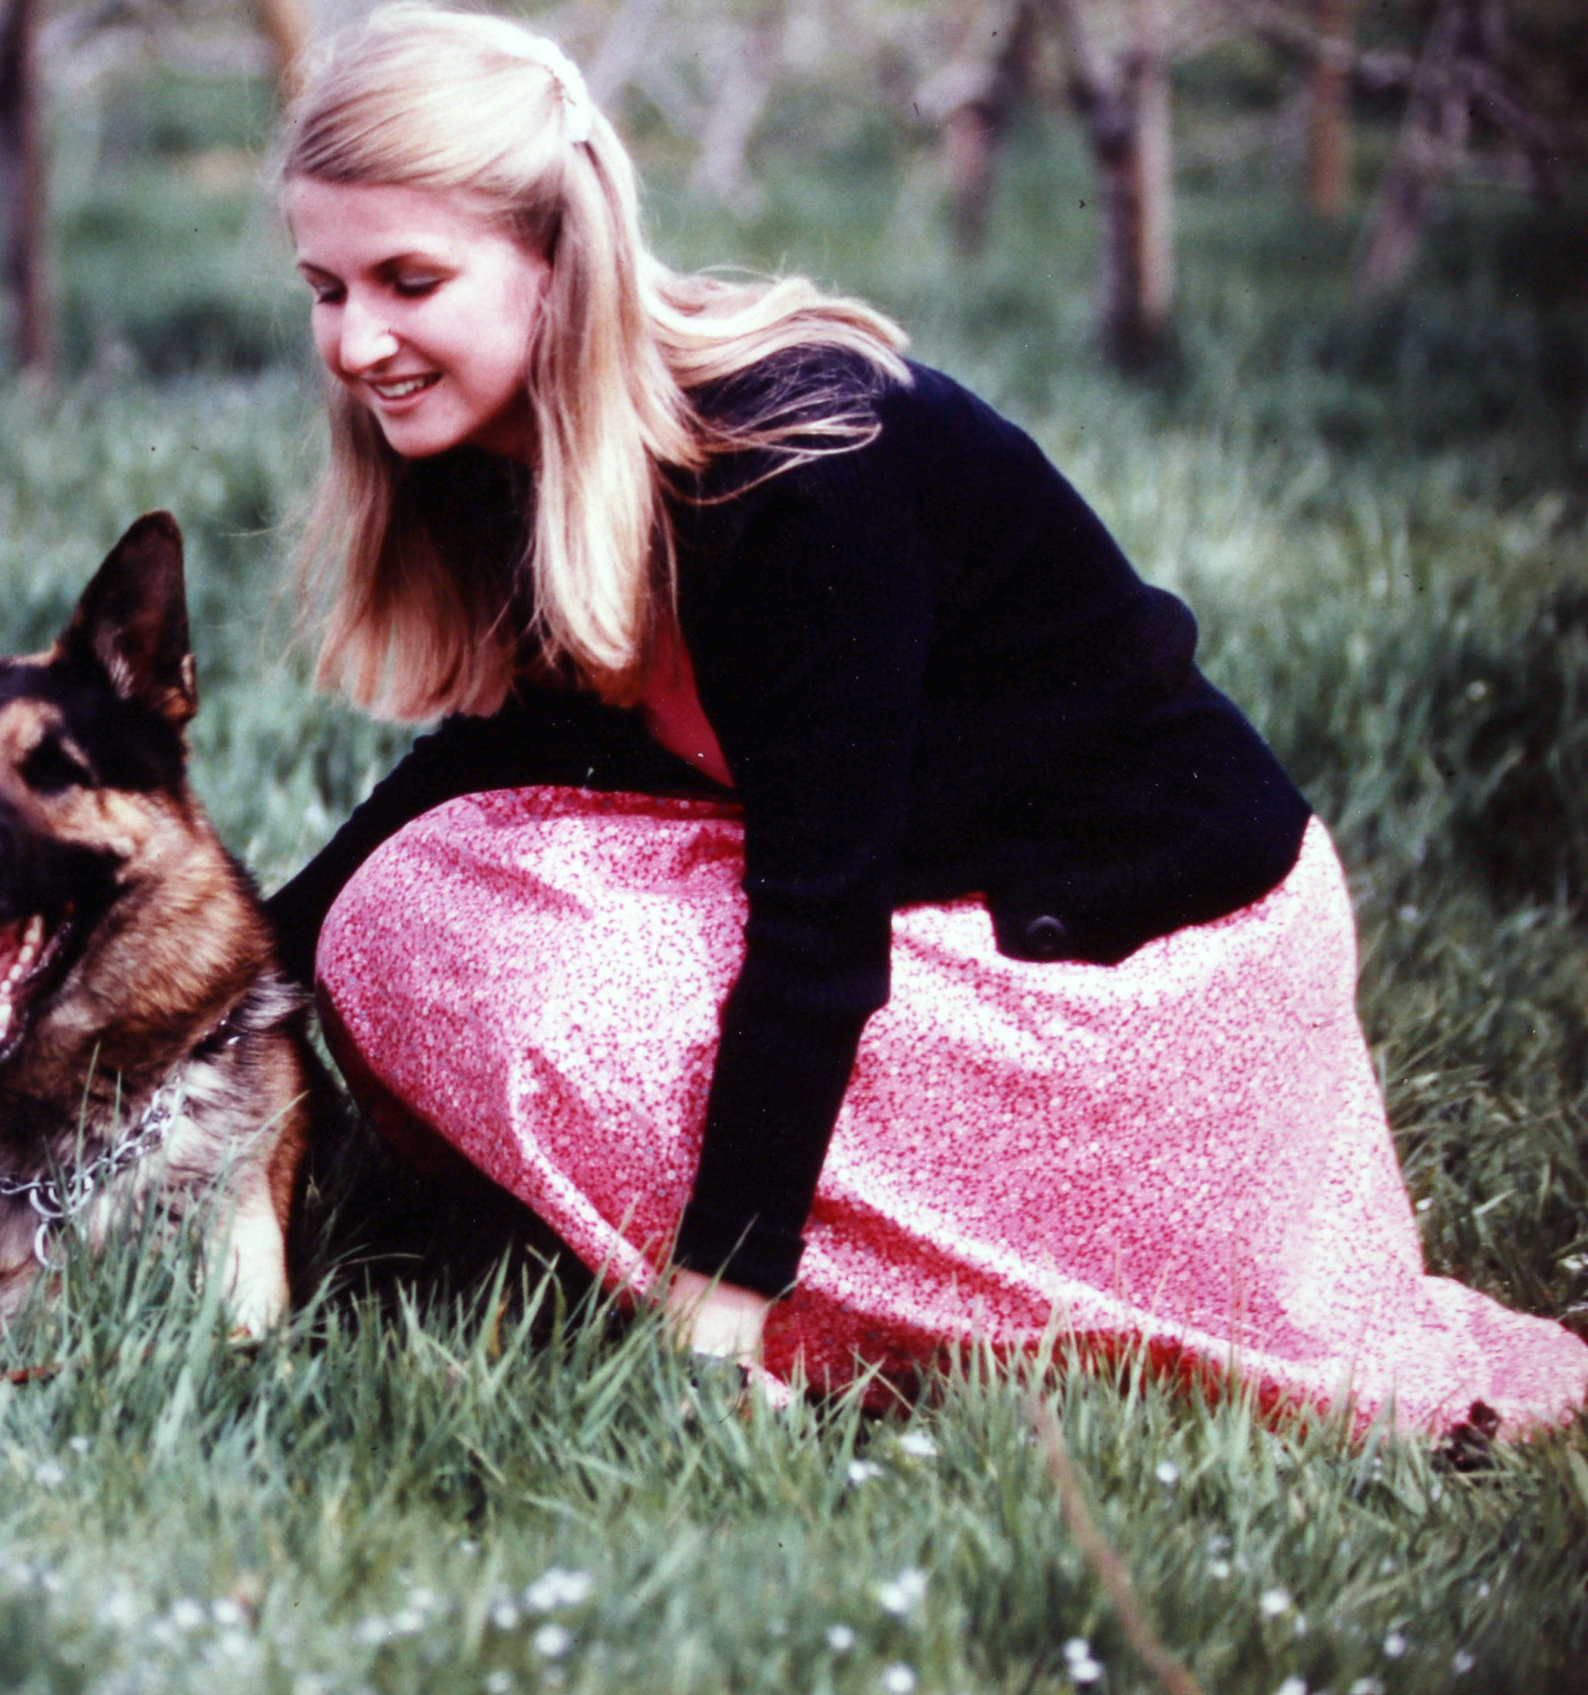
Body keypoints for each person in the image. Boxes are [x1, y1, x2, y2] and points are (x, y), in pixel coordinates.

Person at [262, 3, 1588, 1437]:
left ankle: (796, 1312)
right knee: (410, 909)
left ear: (556, 265)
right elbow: (492, 754)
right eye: (326, 290)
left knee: (535, 987)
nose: (358, 342)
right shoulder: (511, 450)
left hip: (1145, 982)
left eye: (410, 280)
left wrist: (714, 1321)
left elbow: (819, 931)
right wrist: (222, 982)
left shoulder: (797, 466)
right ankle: (700, 1249)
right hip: (936, 908)